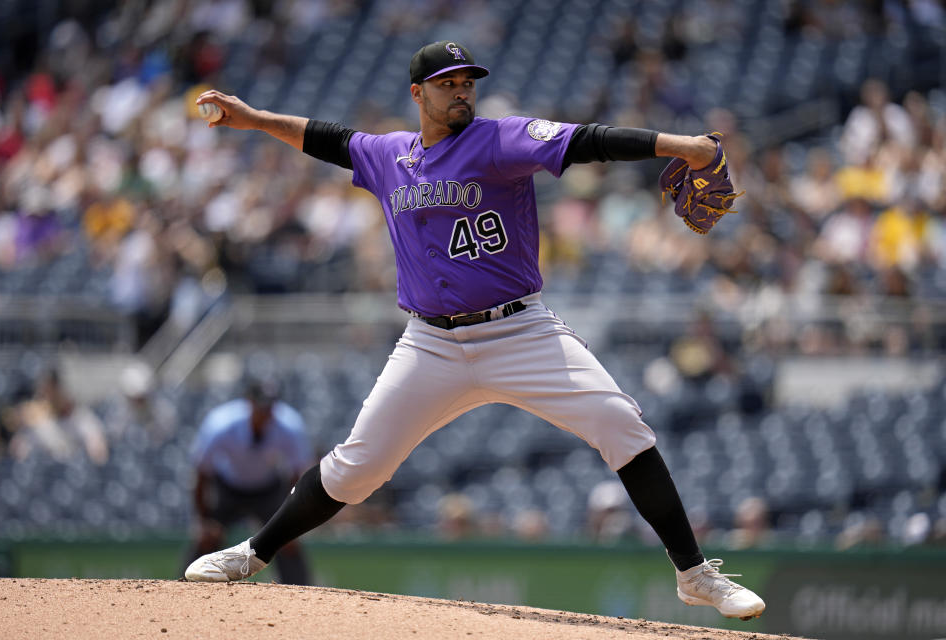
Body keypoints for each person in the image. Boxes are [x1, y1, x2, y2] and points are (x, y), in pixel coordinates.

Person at [185, 41, 765, 620]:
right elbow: (329, 139)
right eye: (447, 83)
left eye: (467, 82)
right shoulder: (388, 155)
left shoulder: (498, 139)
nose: (461, 91)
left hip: (520, 332)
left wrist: (682, 146)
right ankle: (251, 554)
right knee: (356, 469)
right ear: (418, 93)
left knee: (621, 424)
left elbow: (586, 140)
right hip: (430, 344)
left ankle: (695, 575)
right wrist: (254, 119)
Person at [185, 379, 314, 585]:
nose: (266, 413)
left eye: (270, 407)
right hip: (227, 487)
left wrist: (294, 522)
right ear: (249, 403)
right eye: (261, 407)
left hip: (268, 489)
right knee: (207, 538)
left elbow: (298, 475)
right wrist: (204, 521)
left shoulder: (289, 425)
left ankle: (303, 594)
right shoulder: (221, 423)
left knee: (287, 540)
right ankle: (180, 587)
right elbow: (201, 473)